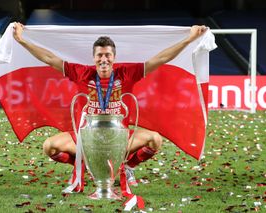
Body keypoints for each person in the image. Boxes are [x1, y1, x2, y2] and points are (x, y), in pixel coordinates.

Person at [12, 22, 207, 187]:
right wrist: (22, 40)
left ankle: (128, 167)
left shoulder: (127, 73)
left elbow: (162, 58)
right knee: (49, 146)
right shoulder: (81, 73)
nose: (104, 59)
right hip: (86, 136)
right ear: (94, 57)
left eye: (107, 55)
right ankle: (85, 166)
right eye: (99, 55)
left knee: (154, 140)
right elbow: (48, 58)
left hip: (119, 136)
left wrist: (189, 39)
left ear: (113, 57)